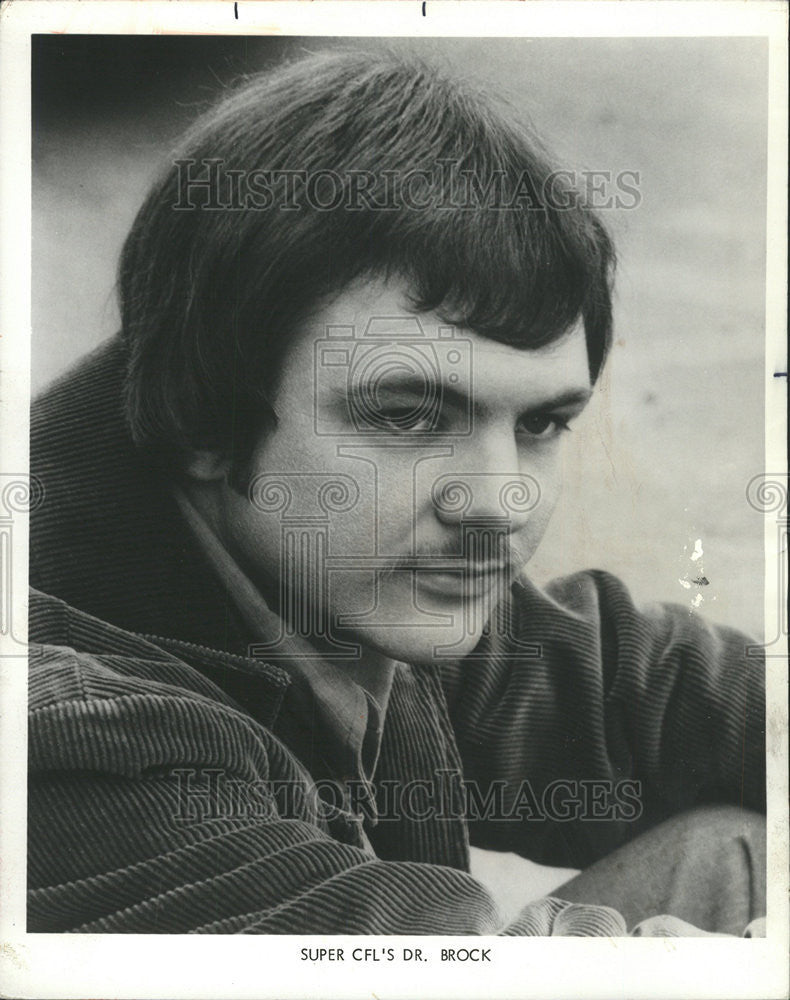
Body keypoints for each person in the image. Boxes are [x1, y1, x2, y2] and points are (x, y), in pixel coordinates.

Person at [28, 49, 765, 936]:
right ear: (202, 420)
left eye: (539, 425)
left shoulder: (328, 561)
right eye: (411, 417)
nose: (502, 503)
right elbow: (433, 968)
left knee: (742, 845)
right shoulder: (66, 735)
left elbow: (637, 694)